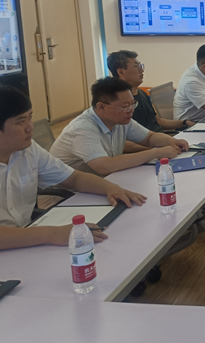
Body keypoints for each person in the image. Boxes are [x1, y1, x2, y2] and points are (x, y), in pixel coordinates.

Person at [0, 85, 146, 251]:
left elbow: (74, 178)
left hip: (26, 240)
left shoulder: (28, 149)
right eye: (20, 122)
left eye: (30, 117)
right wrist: (52, 234)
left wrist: (111, 188)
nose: (30, 127)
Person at [51, 77, 189, 176]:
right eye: (125, 106)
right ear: (101, 106)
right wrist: (155, 153)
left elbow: (149, 137)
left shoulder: (121, 120)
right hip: (69, 194)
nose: (131, 110)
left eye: (132, 104)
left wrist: (172, 141)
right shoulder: (82, 129)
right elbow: (105, 166)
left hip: (104, 180)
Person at [107, 50, 195, 133]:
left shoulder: (142, 93)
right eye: (136, 66)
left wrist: (184, 123)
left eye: (140, 66)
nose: (141, 70)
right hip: (150, 142)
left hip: (159, 138)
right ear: (121, 72)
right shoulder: (117, 102)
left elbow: (157, 121)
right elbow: (126, 139)